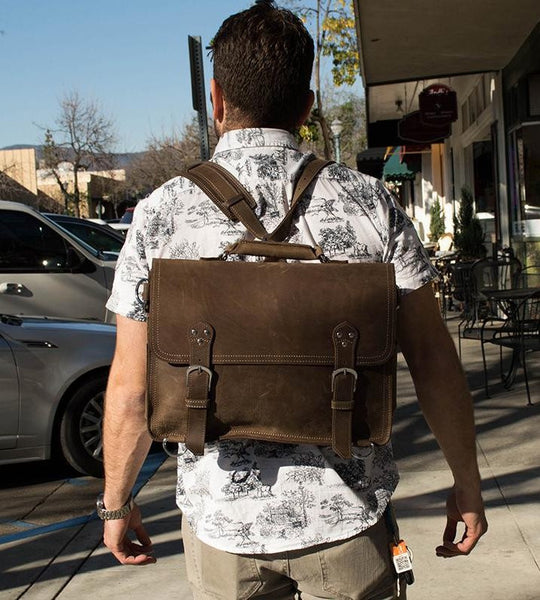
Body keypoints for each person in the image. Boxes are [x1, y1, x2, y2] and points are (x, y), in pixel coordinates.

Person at [100, 2, 487, 598]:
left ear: (218, 98)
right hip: (349, 519)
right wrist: (467, 480)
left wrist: (116, 502)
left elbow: (130, 388)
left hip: (223, 527)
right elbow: (434, 360)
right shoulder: (371, 204)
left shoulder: (160, 215)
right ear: (306, 106)